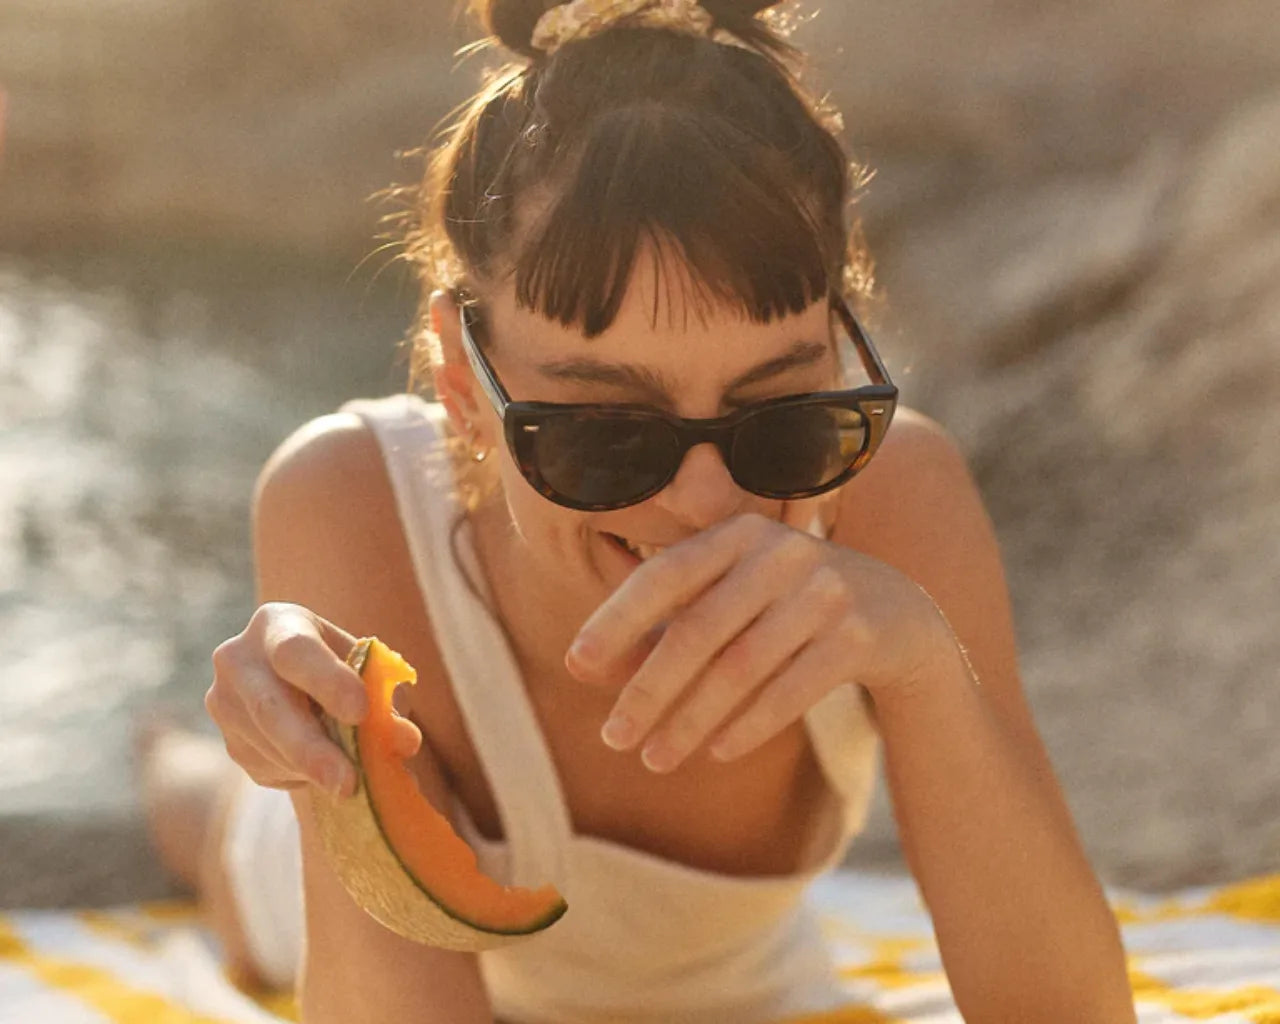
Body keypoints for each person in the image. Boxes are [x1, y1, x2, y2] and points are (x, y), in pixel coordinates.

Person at [154, 0, 1138, 1020]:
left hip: (728, 975)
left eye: (776, 414)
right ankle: (171, 764)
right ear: (457, 378)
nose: (706, 502)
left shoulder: (889, 493)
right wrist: (330, 768)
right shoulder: (351, 500)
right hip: (310, 895)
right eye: (605, 431)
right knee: (224, 846)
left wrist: (924, 667)